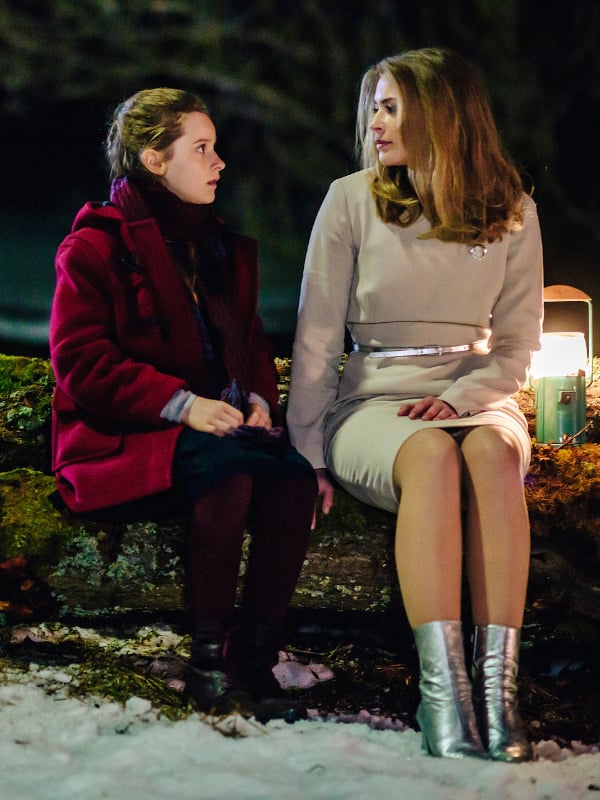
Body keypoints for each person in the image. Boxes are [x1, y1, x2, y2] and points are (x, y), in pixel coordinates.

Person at [287, 48, 543, 761]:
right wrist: (306, 453)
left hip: (477, 396)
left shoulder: (512, 210)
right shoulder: (349, 200)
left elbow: (517, 344)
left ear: (442, 114)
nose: (375, 122)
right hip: (375, 402)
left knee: (492, 452)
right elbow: (315, 340)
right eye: (373, 106)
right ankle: (444, 696)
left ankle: (499, 695)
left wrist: (462, 397)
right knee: (430, 455)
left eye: (392, 107)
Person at [50, 88, 317, 724]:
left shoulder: (214, 246)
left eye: (215, 147)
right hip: (121, 439)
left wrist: (256, 396)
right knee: (228, 472)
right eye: (201, 148)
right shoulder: (94, 248)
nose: (219, 162)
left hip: (204, 433)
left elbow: (249, 340)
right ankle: (208, 665)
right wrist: (181, 405)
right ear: (155, 159)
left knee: (293, 479)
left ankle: (255, 660)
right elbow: (81, 363)